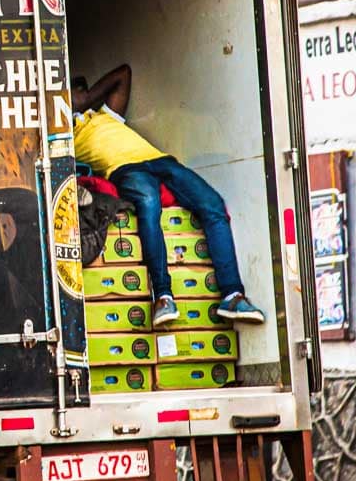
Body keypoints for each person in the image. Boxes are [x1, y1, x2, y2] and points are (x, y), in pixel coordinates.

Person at [71, 64, 265, 327]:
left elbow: (124, 73)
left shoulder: (107, 115)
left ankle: (232, 296)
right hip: (124, 169)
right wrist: (75, 102)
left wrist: (87, 100)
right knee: (149, 204)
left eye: (85, 89)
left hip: (160, 160)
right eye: (77, 90)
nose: (83, 93)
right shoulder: (68, 135)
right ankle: (163, 297)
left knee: (213, 204)